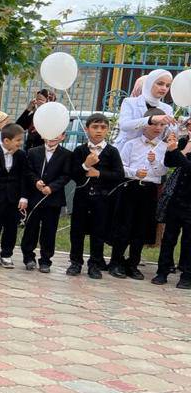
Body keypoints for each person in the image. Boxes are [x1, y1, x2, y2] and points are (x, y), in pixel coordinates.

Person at [108, 108, 168, 280]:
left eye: (162, 125)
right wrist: (134, 172)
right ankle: (116, 261)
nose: (158, 128)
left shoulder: (164, 147)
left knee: (141, 227)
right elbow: (120, 167)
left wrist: (154, 162)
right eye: (155, 124)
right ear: (145, 124)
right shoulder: (131, 144)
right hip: (131, 187)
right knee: (124, 225)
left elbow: (162, 171)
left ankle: (133, 263)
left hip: (150, 190)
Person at [67, 113, 124, 279]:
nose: (99, 131)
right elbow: (73, 174)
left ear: (108, 130)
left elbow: (119, 175)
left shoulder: (112, 151)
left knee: (98, 231)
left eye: (103, 127)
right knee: (77, 231)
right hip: (81, 198)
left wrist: (99, 173)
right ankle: (76, 262)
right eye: (95, 127)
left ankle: (95, 264)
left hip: (102, 199)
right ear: (87, 129)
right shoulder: (80, 150)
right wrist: (86, 165)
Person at [20, 131, 71, 273]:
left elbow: (66, 175)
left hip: (53, 200)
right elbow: (28, 171)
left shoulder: (67, 154)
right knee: (31, 228)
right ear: (43, 134)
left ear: (63, 136)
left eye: (58, 133)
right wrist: (36, 181)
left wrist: (52, 187)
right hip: (34, 198)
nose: (53, 136)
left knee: (49, 230)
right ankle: (28, 257)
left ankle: (45, 260)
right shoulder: (33, 152)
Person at [0, 124, 28, 269]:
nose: (21, 143)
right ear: (6, 141)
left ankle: (7, 254)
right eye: (18, 140)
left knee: (11, 227)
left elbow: (24, 177)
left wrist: (24, 197)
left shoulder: (21, 155)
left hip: (14, 199)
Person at [154, 134, 191, 288]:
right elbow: (169, 162)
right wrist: (171, 150)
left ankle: (187, 275)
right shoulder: (183, 141)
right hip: (177, 198)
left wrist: (177, 151)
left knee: (188, 241)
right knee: (169, 237)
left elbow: (188, 167)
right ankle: (162, 272)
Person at [117, 68, 176, 150]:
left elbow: (167, 135)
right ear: (149, 83)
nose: (164, 88)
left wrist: (176, 127)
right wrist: (151, 119)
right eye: (160, 84)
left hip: (152, 152)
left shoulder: (167, 108)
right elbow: (124, 125)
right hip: (126, 150)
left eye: (167, 85)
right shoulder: (130, 102)